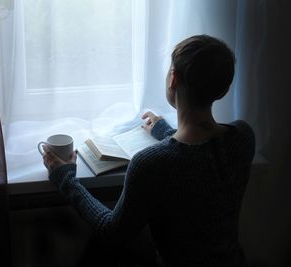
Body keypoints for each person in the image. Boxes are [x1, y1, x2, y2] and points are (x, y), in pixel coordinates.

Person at [42, 34, 255, 266]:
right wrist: (165, 131)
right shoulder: (243, 137)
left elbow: (112, 231)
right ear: (223, 88)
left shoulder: (152, 163)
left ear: (173, 79)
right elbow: (202, 158)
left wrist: (67, 180)